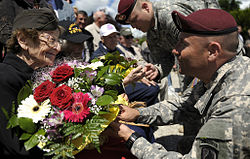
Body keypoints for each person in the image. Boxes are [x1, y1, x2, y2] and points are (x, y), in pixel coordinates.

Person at [110, 8, 250, 159]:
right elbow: (184, 105)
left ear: (212, 51)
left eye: (183, 44)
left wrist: (131, 138)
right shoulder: (223, 72)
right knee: (185, 143)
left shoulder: (236, 105)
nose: (174, 51)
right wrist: (138, 114)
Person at [0, 8, 62, 158]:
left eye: (58, 40)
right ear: (23, 40)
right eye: (50, 40)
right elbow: (18, 146)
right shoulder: (4, 78)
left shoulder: (39, 75)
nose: (58, 48)